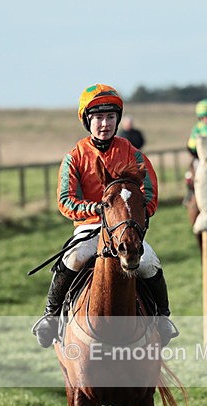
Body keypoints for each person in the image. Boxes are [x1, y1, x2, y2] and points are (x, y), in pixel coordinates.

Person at [32, 83, 177, 348]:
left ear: (117, 120)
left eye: (111, 117)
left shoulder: (133, 154)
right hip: (90, 229)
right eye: (98, 117)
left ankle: (162, 319)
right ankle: (51, 317)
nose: (105, 123)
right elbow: (65, 201)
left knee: (150, 263)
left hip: (125, 229)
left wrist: (129, 215)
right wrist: (95, 210)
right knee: (74, 257)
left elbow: (150, 196)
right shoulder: (74, 157)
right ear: (88, 121)